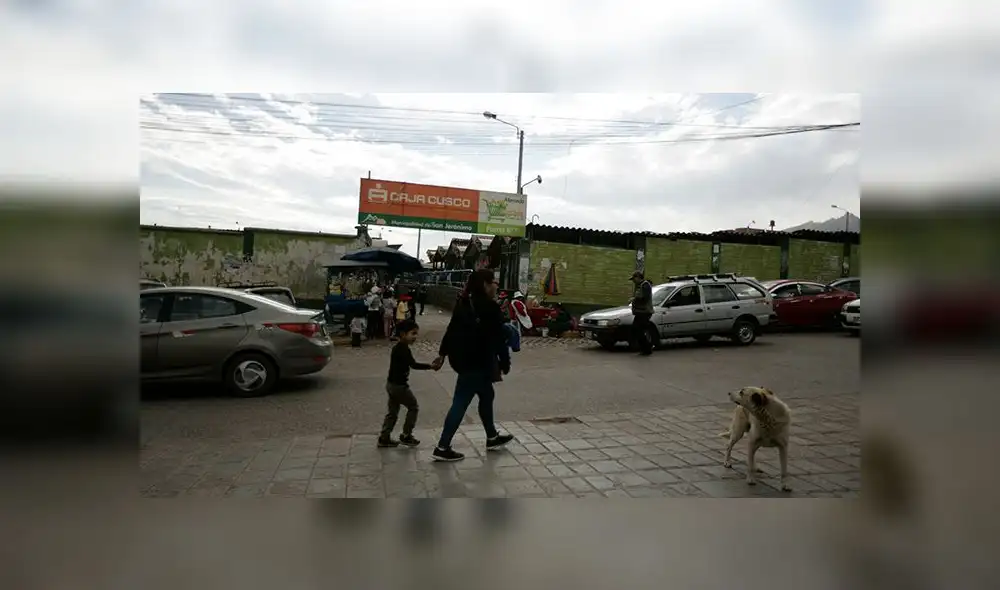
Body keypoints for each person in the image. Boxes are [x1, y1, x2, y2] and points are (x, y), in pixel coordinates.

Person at [430, 269, 514, 462]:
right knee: (461, 401)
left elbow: (451, 329)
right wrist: (505, 362)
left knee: (487, 394)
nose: (496, 285)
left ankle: (492, 437)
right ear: (485, 284)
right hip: (479, 363)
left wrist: (442, 354)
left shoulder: (464, 303)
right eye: (494, 282)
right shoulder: (490, 308)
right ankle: (442, 446)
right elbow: (499, 339)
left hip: (464, 360)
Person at [378, 319, 440, 448]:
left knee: (392, 413)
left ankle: (384, 437)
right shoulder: (403, 349)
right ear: (402, 334)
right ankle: (406, 435)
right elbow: (414, 365)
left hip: (391, 385)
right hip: (399, 387)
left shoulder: (398, 348)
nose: (415, 337)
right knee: (413, 407)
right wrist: (431, 366)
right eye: (413, 333)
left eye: (416, 333)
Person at [629, 270, 654, 356]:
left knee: (639, 330)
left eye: (634, 279)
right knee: (636, 330)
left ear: (638, 277)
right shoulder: (639, 285)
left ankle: (647, 349)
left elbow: (644, 298)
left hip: (644, 312)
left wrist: (634, 299)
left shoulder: (645, 285)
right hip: (640, 312)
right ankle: (645, 348)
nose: (633, 281)